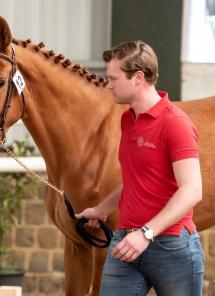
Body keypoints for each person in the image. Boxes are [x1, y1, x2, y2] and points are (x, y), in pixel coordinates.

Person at [76, 40, 204, 296]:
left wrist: (146, 234)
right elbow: (138, 179)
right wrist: (103, 209)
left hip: (172, 246)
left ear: (137, 77)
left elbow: (192, 191)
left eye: (113, 78)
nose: (108, 84)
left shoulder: (175, 124)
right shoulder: (127, 119)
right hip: (125, 241)